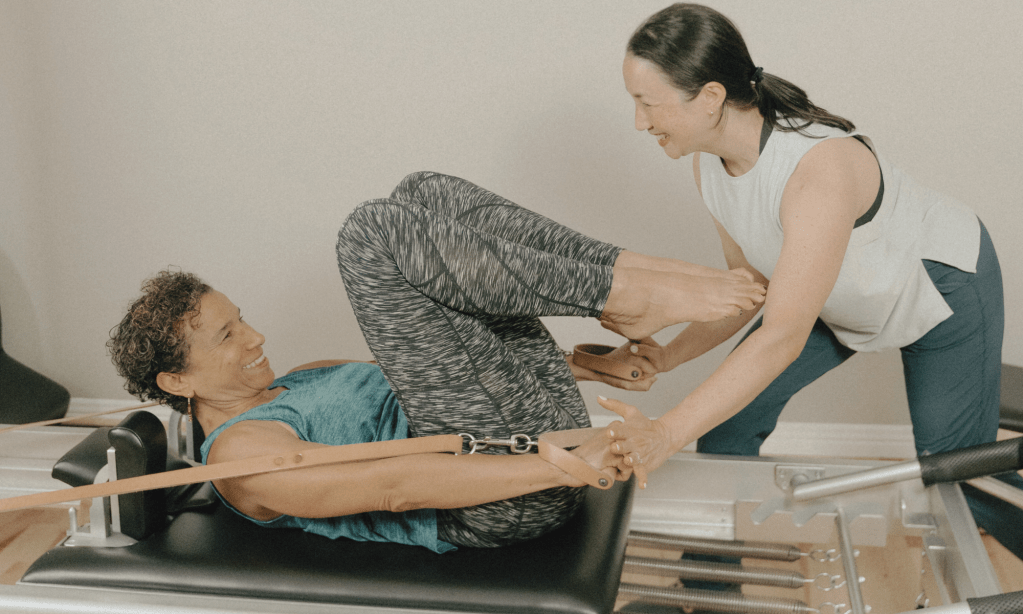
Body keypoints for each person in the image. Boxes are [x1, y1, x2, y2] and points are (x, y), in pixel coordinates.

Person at [107, 171, 765, 553]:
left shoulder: (297, 380)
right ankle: (623, 293)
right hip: (500, 495)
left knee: (421, 194)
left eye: (241, 317)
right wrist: (560, 463)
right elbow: (397, 485)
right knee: (371, 234)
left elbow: (459, 373)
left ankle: (630, 282)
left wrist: (597, 368)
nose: (254, 337)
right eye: (225, 337)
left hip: (516, 429)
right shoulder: (240, 456)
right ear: (176, 380)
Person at [598, 3, 1023, 559]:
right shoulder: (710, 163)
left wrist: (664, 433)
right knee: (728, 431)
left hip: (940, 286)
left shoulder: (818, 170)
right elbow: (750, 286)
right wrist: (668, 357)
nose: (639, 122)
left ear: (709, 97)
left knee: (961, 479)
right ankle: (704, 588)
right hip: (838, 297)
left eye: (647, 103)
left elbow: (782, 335)